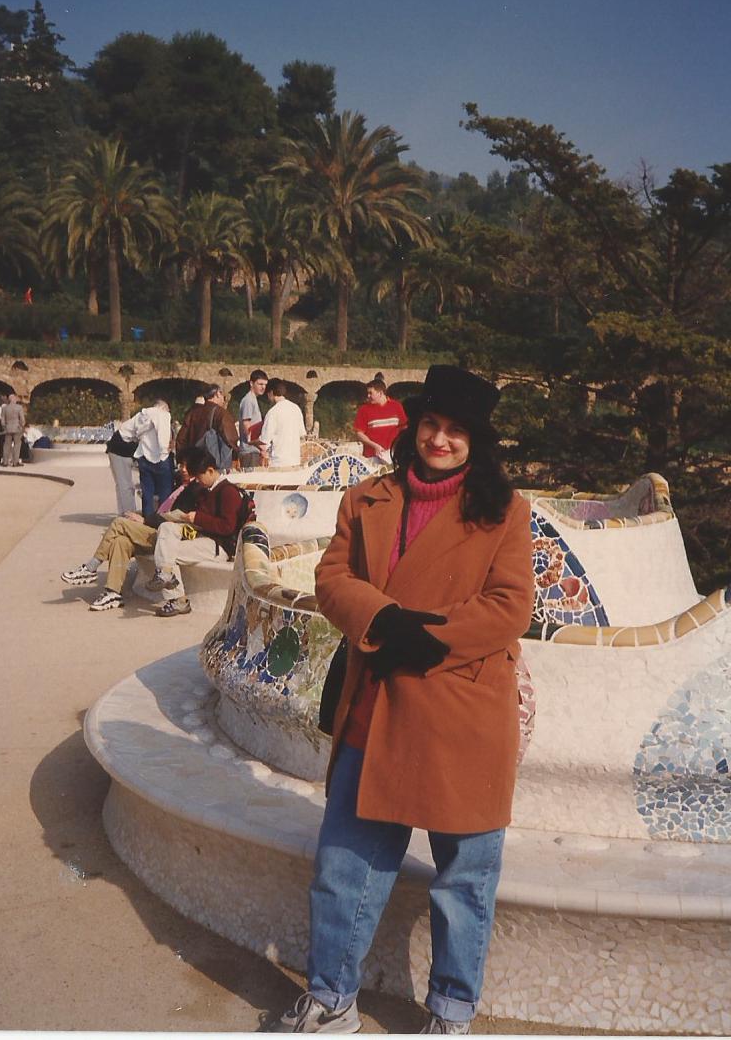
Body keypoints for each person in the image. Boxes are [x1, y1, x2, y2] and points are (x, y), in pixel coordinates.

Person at [272, 365, 535, 1036]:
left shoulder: (504, 510)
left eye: (456, 430)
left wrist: (427, 638)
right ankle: (332, 999)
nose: (439, 440)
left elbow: (510, 607)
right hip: (376, 706)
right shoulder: (366, 497)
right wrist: (385, 620)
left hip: (461, 714)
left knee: (464, 880)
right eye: (430, 424)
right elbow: (332, 576)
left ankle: (450, 1012)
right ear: (413, 426)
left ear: (477, 441)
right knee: (343, 870)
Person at [60, 453, 199, 611]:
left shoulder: (194, 490)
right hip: (156, 530)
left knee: (119, 523)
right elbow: (162, 512)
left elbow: (176, 519)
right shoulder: (180, 486)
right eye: (181, 465)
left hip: (167, 537)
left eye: (187, 466)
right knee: (121, 541)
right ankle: (113, 593)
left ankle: (91, 567)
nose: (183, 469)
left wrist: (145, 521)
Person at [148, 447, 252, 617]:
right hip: (203, 537)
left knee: (167, 552)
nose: (197, 481)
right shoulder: (206, 491)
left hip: (219, 546)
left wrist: (198, 518)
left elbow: (227, 527)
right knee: (166, 528)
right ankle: (166, 575)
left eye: (199, 476)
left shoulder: (228, 492)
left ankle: (177, 599)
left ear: (210, 471)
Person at [119, 400, 174, 520]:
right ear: (165, 408)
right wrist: (165, 452)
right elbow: (163, 436)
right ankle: (163, 519)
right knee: (165, 493)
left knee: (147, 492)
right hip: (160, 458)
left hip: (143, 456)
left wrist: (135, 438)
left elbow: (124, 430)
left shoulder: (141, 415)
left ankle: (147, 519)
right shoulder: (163, 414)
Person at [175, 385, 239, 469]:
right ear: (217, 394)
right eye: (223, 396)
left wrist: (182, 460)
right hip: (214, 464)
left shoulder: (192, 413)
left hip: (194, 463)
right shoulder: (221, 413)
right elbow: (230, 438)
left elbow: (181, 439)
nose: (224, 400)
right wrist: (235, 456)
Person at [352, 376, 408, 462]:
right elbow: (359, 434)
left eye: (371, 393)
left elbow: (404, 428)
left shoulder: (396, 406)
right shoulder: (364, 409)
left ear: (380, 393)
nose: (368, 396)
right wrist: (375, 446)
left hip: (393, 454)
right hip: (371, 457)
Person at [257, 379, 306, 468]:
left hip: (278, 461)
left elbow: (264, 442)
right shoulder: (296, 409)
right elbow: (301, 434)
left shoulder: (273, 412)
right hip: (295, 460)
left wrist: (253, 443)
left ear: (271, 393)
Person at [105, 421, 139, 515]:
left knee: (123, 484)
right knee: (125, 485)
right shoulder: (149, 421)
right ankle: (129, 514)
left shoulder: (144, 419)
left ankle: (125, 513)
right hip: (120, 451)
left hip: (119, 449)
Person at [238, 369, 268, 469]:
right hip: (249, 452)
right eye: (260, 384)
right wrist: (261, 447)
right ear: (251, 383)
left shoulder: (252, 399)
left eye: (265, 384)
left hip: (252, 451)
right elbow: (247, 427)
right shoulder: (248, 400)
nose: (263, 387)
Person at [0, 393, 26, 467]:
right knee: (17, 445)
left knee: (6, 445)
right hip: (17, 428)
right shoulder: (19, 407)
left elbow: (2, 420)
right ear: (14, 399)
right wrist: (22, 426)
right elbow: (22, 419)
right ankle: (15, 462)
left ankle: (5, 462)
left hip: (8, 428)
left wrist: (4, 427)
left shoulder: (5, 408)